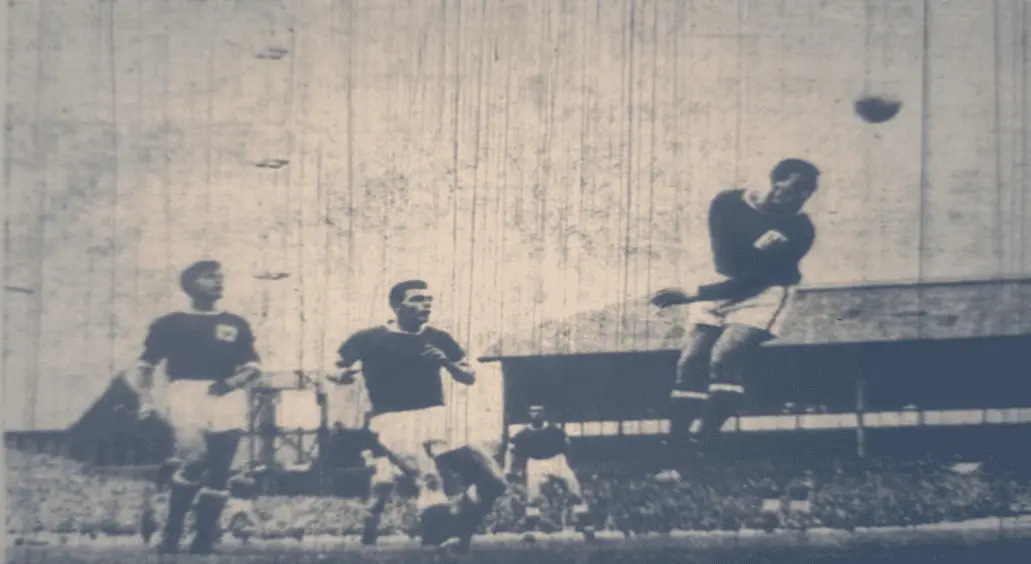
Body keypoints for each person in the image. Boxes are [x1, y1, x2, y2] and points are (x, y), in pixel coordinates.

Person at [651, 158, 820, 457]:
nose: (799, 198)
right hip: (719, 283)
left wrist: (692, 295)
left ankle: (703, 443)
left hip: (763, 293)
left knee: (724, 355)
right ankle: (675, 447)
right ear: (773, 182)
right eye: (794, 189)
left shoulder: (800, 229)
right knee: (690, 361)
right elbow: (725, 259)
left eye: (806, 193)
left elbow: (755, 281)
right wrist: (757, 251)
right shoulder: (727, 203)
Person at [327, 280, 507, 551]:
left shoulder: (439, 338)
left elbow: (469, 376)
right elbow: (333, 368)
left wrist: (446, 362)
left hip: (436, 416)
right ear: (397, 305)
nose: (426, 305)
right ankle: (439, 537)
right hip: (392, 419)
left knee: (494, 481)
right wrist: (341, 376)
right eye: (418, 299)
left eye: (429, 300)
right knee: (428, 477)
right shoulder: (368, 338)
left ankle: (457, 526)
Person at [134, 260, 263, 554]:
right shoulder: (169, 324)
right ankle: (173, 530)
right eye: (210, 277)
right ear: (191, 284)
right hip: (186, 391)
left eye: (220, 276)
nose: (218, 281)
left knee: (221, 466)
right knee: (195, 460)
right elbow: (145, 367)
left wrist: (231, 382)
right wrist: (145, 402)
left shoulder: (235, 323)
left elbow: (254, 366)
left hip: (226, 393)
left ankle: (203, 538)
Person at [506, 405, 592, 539]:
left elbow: (568, 446)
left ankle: (586, 524)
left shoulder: (555, 431)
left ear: (544, 414)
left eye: (539, 411)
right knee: (533, 496)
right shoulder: (523, 434)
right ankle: (530, 530)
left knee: (574, 488)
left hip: (557, 460)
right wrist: (508, 467)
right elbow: (511, 450)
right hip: (535, 463)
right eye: (533, 411)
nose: (536, 414)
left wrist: (570, 464)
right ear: (529, 414)